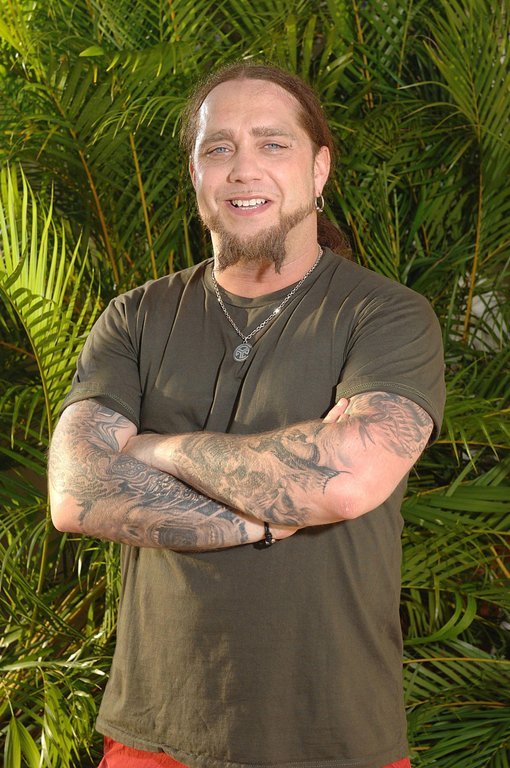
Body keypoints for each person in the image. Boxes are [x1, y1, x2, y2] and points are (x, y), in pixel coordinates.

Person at [48, 62, 445, 768]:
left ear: (319, 169)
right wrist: (267, 515)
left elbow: (343, 480)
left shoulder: (387, 315)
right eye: (219, 148)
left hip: (336, 738)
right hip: (155, 734)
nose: (242, 169)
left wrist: (156, 450)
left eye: (272, 143)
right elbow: (76, 492)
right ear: (196, 174)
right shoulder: (135, 318)